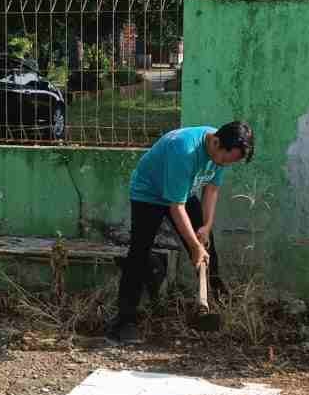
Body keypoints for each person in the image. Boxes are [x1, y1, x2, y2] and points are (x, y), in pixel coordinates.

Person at [106, 121, 255, 345]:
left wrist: (205, 227)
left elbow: (211, 189)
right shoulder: (184, 150)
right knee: (138, 253)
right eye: (224, 160)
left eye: (229, 162)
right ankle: (124, 321)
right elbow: (175, 207)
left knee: (208, 248)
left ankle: (214, 304)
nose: (223, 164)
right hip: (149, 194)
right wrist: (193, 246)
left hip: (182, 193)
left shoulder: (224, 147)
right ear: (216, 142)